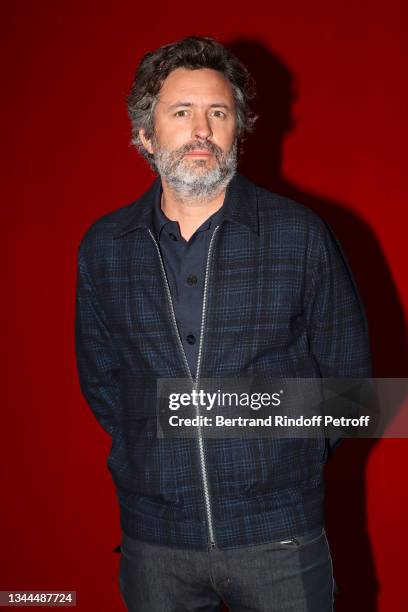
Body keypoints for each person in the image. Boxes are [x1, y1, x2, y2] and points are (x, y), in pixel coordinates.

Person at [75, 35, 371, 611]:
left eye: (218, 112)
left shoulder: (299, 234)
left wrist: (282, 459)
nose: (201, 129)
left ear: (239, 130)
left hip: (280, 538)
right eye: (181, 112)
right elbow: (103, 384)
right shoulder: (104, 248)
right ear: (145, 134)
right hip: (156, 542)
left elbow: (349, 385)